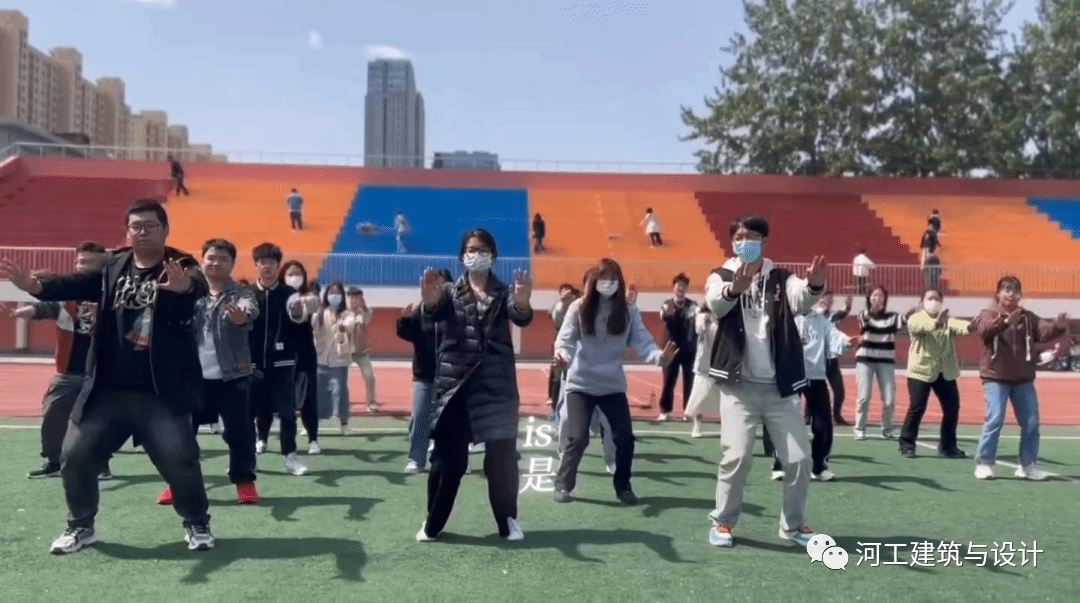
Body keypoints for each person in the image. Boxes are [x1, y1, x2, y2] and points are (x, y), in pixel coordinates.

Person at [0, 199, 214, 554]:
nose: (142, 232)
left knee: (181, 461)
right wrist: (35, 286)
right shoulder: (113, 265)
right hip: (108, 389)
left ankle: (197, 523)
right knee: (75, 455)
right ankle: (81, 527)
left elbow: (196, 287)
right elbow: (75, 283)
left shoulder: (182, 265)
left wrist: (184, 289)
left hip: (160, 392)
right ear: (127, 232)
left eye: (150, 226)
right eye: (136, 226)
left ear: (165, 229)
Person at [703, 213, 825, 548]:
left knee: (799, 459)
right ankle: (723, 521)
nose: (746, 242)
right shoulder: (720, 275)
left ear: (764, 241)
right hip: (739, 387)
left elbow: (802, 299)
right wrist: (735, 289)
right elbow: (716, 304)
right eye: (739, 237)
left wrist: (815, 285)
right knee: (737, 456)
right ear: (732, 242)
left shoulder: (782, 278)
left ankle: (793, 525)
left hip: (779, 388)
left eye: (753, 237)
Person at [414, 228, 533, 542]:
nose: (476, 255)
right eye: (471, 249)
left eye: (482, 250)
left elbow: (519, 315)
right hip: (455, 386)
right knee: (447, 461)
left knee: (502, 460)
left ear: (493, 256)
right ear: (462, 255)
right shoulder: (449, 292)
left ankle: (508, 521)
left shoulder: (505, 292)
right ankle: (433, 522)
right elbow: (432, 313)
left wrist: (522, 304)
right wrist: (429, 303)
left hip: (496, 387)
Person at [553, 258, 676, 505]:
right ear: (594, 282)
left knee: (625, 438)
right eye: (603, 279)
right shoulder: (579, 307)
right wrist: (563, 355)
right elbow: (565, 339)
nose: (607, 284)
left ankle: (623, 487)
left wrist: (659, 357)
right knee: (578, 437)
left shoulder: (628, 311)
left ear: (619, 282)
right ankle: (563, 485)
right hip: (581, 384)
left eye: (612, 279)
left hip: (612, 387)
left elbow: (643, 342)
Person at [159, 238, 260, 506]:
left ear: (232, 263)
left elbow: (249, 310)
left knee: (240, 433)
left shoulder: (241, 294)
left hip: (232, 376)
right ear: (202, 261)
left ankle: (245, 482)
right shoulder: (188, 291)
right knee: (181, 435)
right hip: (191, 377)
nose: (216, 263)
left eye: (223, 259)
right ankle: (177, 483)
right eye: (211, 258)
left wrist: (241, 317)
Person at [14, 241, 110, 480]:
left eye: (90, 262)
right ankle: (54, 461)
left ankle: (100, 464)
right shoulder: (67, 293)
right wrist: (27, 311)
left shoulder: (111, 293)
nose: (84, 266)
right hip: (68, 370)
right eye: (81, 261)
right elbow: (48, 307)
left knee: (95, 420)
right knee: (52, 412)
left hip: (102, 371)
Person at [970, 277, 1067, 480]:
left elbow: (1044, 331)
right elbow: (984, 331)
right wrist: (1005, 322)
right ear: (998, 293)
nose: (1011, 294)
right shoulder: (988, 314)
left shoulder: (1027, 317)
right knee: (995, 419)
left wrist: (1057, 326)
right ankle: (985, 463)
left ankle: (1027, 466)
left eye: (1015, 290)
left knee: (1031, 422)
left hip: (1023, 379)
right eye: (1006, 290)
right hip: (995, 377)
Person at [249, 243, 312, 474]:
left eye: (271, 262)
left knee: (287, 413)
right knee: (249, 413)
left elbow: (299, 320)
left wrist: (300, 313)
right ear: (256, 265)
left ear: (278, 266)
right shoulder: (247, 294)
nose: (267, 266)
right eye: (262, 262)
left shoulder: (289, 295)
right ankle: (248, 458)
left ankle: (290, 457)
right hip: (252, 363)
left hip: (283, 362)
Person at [898, 288, 973, 459]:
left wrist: (973, 325)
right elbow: (920, 328)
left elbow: (962, 327)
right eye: (930, 298)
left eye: (937, 298)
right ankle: (907, 445)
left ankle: (948, 446)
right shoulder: (915, 319)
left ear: (942, 301)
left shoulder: (948, 320)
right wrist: (936, 324)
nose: (933, 301)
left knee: (952, 408)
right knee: (917, 407)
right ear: (922, 302)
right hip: (920, 372)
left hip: (944, 371)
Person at [397, 269, 452, 475]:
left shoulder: (455, 311)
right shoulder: (421, 310)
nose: (438, 288)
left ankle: (449, 458)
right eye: (434, 283)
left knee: (449, 420)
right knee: (420, 417)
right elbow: (407, 334)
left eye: (441, 284)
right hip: (423, 374)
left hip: (450, 375)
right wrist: (404, 319)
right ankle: (416, 460)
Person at [853, 286, 912, 441]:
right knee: (864, 397)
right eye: (874, 295)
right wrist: (872, 310)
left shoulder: (892, 317)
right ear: (869, 298)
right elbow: (864, 321)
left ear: (885, 299)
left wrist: (914, 311)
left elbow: (904, 319)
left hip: (886, 362)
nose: (877, 299)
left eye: (880, 296)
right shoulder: (864, 315)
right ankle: (860, 428)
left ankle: (887, 429)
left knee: (889, 399)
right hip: (865, 360)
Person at [313, 282, 354, 434]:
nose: (334, 295)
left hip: (339, 359)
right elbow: (313, 328)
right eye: (331, 292)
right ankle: (314, 424)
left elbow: (350, 324)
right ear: (326, 294)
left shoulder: (347, 314)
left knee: (340, 391)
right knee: (319, 392)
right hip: (321, 358)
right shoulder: (320, 313)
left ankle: (344, 423)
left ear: (342, 295)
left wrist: (343, 326)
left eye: (337, 293)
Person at [684, 304, 719, 438]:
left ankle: (729, 427)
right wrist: (706, 322)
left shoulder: (725, 316)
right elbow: (699, 330)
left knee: (726, 397)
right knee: (699, 395)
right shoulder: (702, 315)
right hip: (704, 362)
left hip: (721, 362)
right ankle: (697, 426)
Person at [822, 292, 853, 425]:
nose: (828, 301)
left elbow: (843, 312)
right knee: (814, 389)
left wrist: (848, 304)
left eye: (831, 299)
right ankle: (808, 415)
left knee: (839, 391)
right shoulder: (814, 315)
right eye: (826, 298)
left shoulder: (833, 316)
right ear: (820, 299)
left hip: (831, 359)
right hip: (817, 360)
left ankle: (837, 415)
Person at [547, 283, 580, 408]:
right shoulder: (558, 306)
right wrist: (564, 303)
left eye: (568, 291)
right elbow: (556, 319)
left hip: (575, 343)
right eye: (563, 290)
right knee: (557, 371)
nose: (566, 293)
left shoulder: (577, 304)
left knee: (573, 372)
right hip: (560, 342)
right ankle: (554, 402)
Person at [347, 287, 378, 413]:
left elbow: (367, 313)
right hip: (346, 352)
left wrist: (362, 304)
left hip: (362, 352)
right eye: (352, 298)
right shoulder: (344, 313)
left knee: (369, 377)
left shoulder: (364, 313)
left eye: (357, 298)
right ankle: (344, 403)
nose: (354, 300)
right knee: (342, 379)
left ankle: (371, 403)